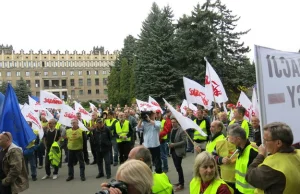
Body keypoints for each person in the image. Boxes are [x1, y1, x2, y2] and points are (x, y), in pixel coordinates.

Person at [246, 122, 300, 193]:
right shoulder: (298, 153)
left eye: (266, 140)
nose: (264, 143)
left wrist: (260, 155)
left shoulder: (272, 168)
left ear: (278, 143)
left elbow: (250, 176)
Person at [227, 125, 258, 194]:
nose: (232, 143)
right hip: (239, 189)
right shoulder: (240, 150)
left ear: (238, 139)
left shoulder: (253, 152)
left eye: (232, 141)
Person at [169, 117, 187, 192]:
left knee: (179, 167)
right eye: (172, 122)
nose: (173, 124)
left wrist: (174, 145)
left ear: (177, 122)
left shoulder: (181, 130)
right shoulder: (172, 129)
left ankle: (182, 184)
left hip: (178, 151)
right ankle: (180, 182)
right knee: (177, 167)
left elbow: (184, 142)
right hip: (173, 150)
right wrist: (170, 144)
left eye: (174, 122)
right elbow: (171, 139)